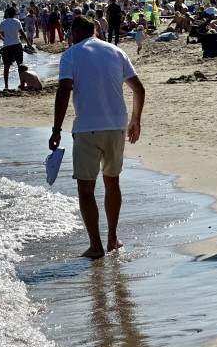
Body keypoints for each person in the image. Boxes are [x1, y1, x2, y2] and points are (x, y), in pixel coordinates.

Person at [49, 15, 145, 259]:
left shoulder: (70, 54)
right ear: (95, 31)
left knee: (86, 190)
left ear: (74, 32)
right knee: (112, 182)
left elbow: (64, 90)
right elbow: (138, 89)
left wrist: (56, 129)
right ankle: (112, 239)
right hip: (116, 127)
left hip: (86, 130)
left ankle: (96, 246)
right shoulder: (116, 51)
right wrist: (135, 120)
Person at [0, 7, 28, 90]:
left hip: (7, 45)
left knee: (6, 66)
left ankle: (6, 85)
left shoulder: (4, 22)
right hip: (16, 44)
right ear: (15, 14)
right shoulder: (17, 21)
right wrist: (27, 42)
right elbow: (22, 32)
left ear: (7, 14)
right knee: (20, 65)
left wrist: (4, 39)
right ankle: (22, 84)